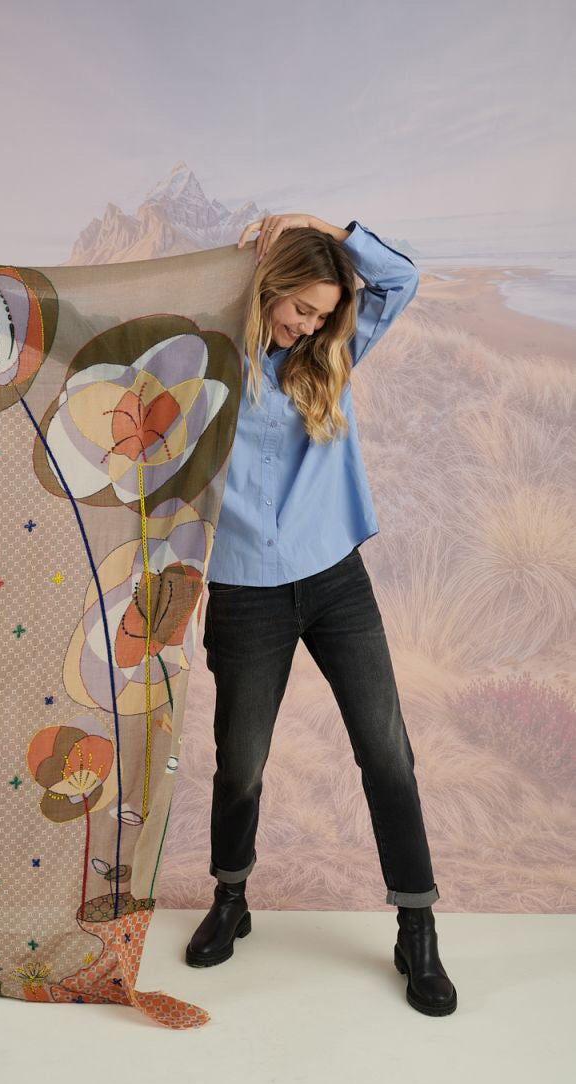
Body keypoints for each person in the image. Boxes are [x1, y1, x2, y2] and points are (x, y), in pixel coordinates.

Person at [185, 213, 457, 1017]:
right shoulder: (209, 357)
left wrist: (323, 230)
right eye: (299, 308)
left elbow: (401, 280)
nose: (307, 326)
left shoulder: (330, 354)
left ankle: (417, 928)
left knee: (387, 752)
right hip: (245, 591)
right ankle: (231, 899)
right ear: (267, 287)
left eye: (322, 314)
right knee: (240, 760)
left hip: (336, 580)